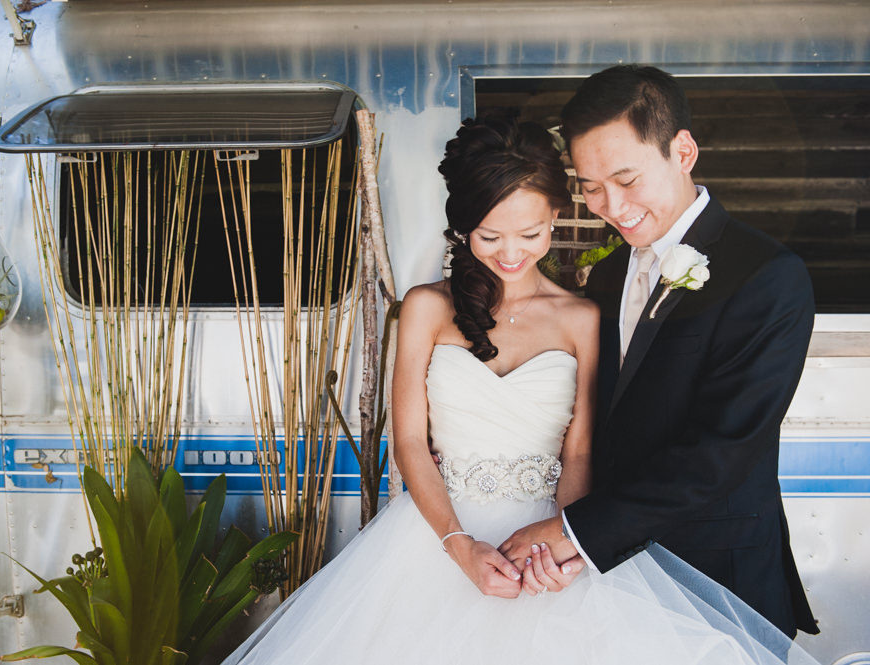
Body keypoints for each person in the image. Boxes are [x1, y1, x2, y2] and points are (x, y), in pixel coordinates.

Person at [220, 116, 818, 665]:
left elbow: (580, 450)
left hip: (551, 536)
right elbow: (407, 439)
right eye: (488, 238)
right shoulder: (425, 308)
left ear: (555, 219)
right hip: (435, 535)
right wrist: (459, 547)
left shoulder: (585, 313)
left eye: (530, 233)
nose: (511, 254)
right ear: (461, 230)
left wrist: (563, 549)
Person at [497, 65, 820, 641]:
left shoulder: (768, 276)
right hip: (609, 574)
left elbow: (721, 449)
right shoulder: (607, 273)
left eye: (626, 179)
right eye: (591, 187)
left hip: (717, 579)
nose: (610, 206)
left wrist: (575, 532)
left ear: (683, 151)